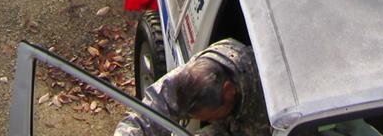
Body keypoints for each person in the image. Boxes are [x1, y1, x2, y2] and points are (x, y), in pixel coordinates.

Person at [114, 39, 269, 136]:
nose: (210, 121)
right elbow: (148, 113)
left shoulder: (271, 96)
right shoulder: (194, 76)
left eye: (211, 118)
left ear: (228, 91)